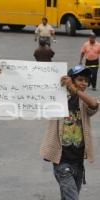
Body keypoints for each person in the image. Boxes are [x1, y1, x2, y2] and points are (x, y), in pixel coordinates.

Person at [40, 65, 98, 200]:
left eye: (86, 81)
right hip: (61, 161)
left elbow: (94, 105)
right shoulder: (58, 99)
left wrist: (74, 90)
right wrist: (9, 77)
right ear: (70, 80)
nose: (84, 83)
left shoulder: (84, 101)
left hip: (78, 162)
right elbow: (35, 92)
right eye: (80, 80)